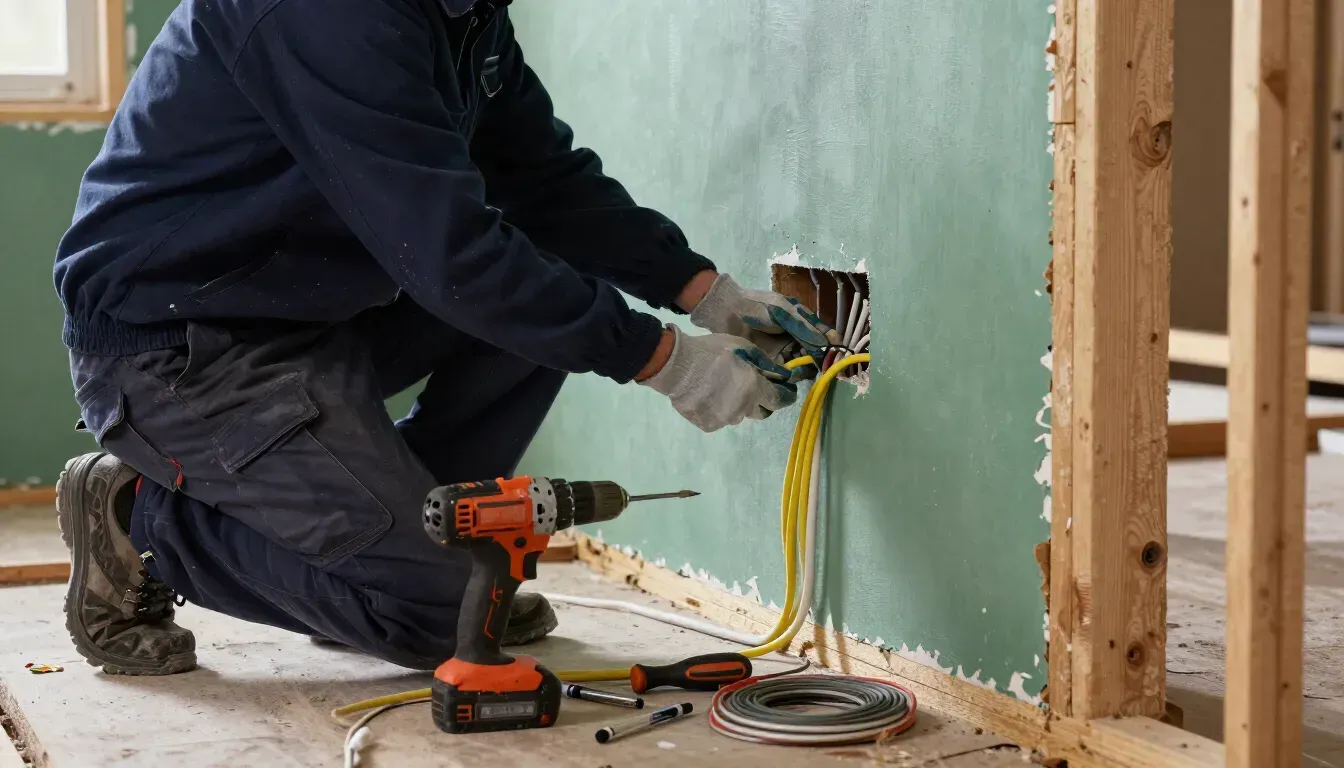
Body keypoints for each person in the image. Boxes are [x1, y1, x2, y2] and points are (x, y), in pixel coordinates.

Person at [51, 0, 836, 676]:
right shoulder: (328, 14)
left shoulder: (463, 13)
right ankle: (141, 523)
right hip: (180, 346)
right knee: (438, 619)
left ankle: (402, 551)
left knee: (536, 288)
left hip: (312, 311)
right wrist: (669, 365)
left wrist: (706, 293)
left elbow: (542, 181)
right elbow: (449, 253)